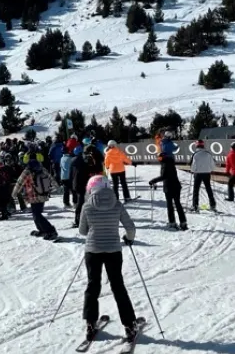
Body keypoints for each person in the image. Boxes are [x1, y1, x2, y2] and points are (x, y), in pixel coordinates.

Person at [78, 176, 139, 342]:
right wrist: (128, 238)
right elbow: (130, 227)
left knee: (93, 285)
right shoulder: (117, 204)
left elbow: (82, 231)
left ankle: (90, 323)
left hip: (93, 250)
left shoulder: (87, 205)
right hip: (113, 250)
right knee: (118, 286)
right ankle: (129, 325)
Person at [13, 155, 58, 240]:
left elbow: (19, 183)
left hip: (33, 196)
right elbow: (51, 178)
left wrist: (14, 194)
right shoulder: (42, 169)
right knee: (36, 214)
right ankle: (42, 230)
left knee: (37, 215)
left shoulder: (27, 171)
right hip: (43, 195)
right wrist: (55, 187)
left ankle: (50, 230)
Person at [149, 153, 187, 230]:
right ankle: (183, 222)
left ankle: (172, 222)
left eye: (159, 158)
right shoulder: (170, 162)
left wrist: (153, 181)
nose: (158, 160)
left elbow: (164, 176)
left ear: (162, 158)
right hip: (176, 186)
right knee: (178, 204)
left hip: (169, 187)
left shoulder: (165, 164)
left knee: (170, 205)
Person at [69, 146, 94, 228]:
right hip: (84, 184)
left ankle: (79, 220)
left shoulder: (73, 160)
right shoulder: (86, 161)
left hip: (76, 184)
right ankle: (80, 220)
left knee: (81, 202)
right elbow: (90, 172)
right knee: (83, 202)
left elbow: (71, 174)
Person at [189, 140, 216, 212]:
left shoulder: (195, 154)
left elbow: (193, 165)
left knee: (196, 190)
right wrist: (210, 169)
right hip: (207, 173)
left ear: (197, 146)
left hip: (198, 173)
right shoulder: (208, 154)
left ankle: (195, 206)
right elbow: (213, 165)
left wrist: (192, 170)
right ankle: (212, 205)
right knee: (208, 188)